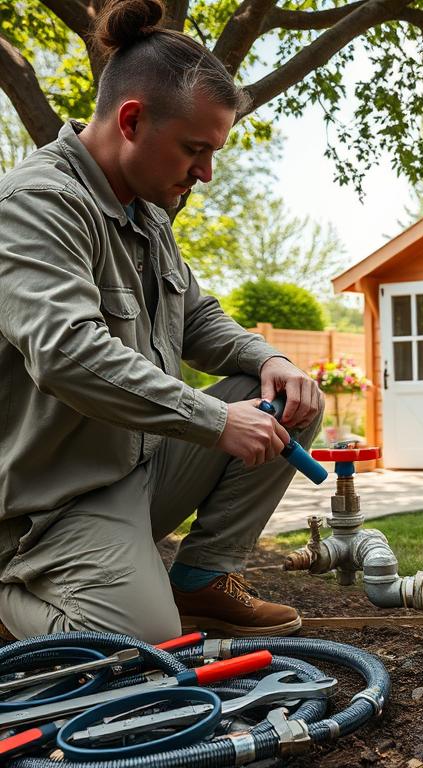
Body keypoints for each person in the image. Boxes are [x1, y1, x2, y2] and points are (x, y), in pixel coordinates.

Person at [0, 0, 323, 642]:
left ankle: (201, 577)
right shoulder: (36, 204)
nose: (204, 172)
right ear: (131, 120)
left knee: (282, 401)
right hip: (51, 504)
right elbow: (67, 351)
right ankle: (16, 587)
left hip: (132, 469)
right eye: (194, 150)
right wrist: (213, 420)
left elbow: (196, 316)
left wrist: (270, 361)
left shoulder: (145, 210)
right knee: (140, 643)